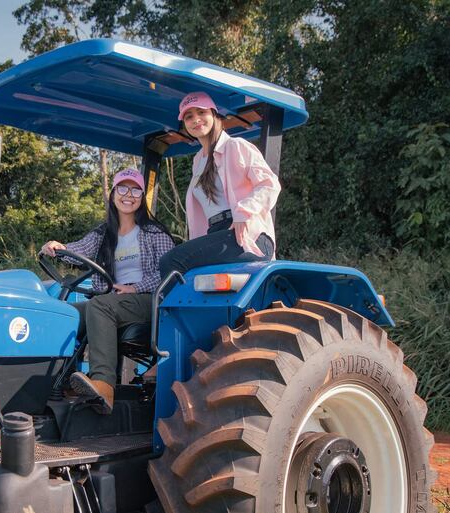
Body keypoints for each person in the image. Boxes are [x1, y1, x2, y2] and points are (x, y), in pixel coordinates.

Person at [40, 168, 174, 414]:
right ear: (113, 194)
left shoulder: (155, 232)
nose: (128, 195)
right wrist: (58, 247)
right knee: (65, 313)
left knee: (100, 305)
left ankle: (104, 384)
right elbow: (79, 251)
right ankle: (63, 382)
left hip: (150, 300)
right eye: (122, 188)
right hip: (114, 301)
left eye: (135, 190)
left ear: (142, 196)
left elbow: (167, 272)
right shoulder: (103, 234)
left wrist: (135, 287)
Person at [159, 91, 281, 278]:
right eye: (189, 116)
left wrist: (244, 211)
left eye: (201, 112)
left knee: (171, 262)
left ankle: (171, 308)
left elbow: (269, 184)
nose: (196, 119)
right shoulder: (198, 161)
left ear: (214, 114)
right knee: (189, 276)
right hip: (215, 233)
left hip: (244, 233)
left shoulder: (236, 146)